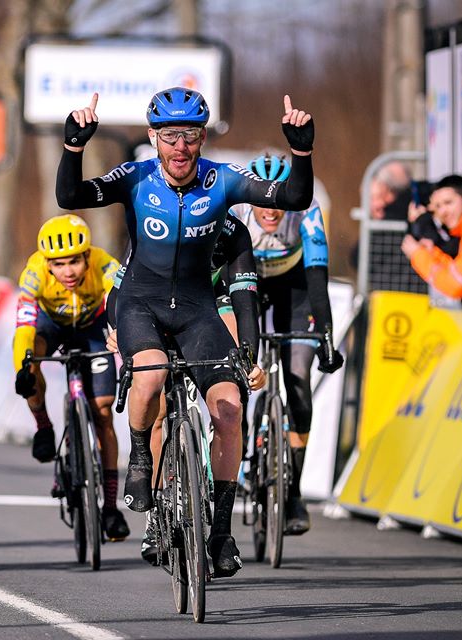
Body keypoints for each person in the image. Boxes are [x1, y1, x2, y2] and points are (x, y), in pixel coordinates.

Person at [56, 88, 316, 577]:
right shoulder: (136, 177)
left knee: (230, 409)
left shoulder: (222, 180)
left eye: (191, 136)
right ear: (153, 137)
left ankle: (220, 531)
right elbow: (70, 197)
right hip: (141, 304)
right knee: (151, 375)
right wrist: (74, 147)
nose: (181, 146)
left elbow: (293, 197)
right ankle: (140, 460)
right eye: (170, 135)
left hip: (198, 312)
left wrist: (301, 152)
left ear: (203, 139)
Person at [106, 210, 267, 564]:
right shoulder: (159, 218)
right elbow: (119, 291)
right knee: (158, 409)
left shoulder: (231, 231)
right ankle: (154, 515)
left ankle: (221, 531)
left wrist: (250, 361)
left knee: (231, 407)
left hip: (206, 308)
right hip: (151, 310)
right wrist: (116, 330)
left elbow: (244, 304)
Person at [228, 152, 345, 535]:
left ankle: (293, 491)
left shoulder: (306, 209)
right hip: (246, 282)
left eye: (278, 200)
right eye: (264, 200)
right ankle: (238, 455)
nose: (271, 210)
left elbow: (317, 279)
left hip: (294, 291)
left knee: (297, 378)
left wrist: (325, 336)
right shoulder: (236, 211)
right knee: (237, 373)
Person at [13, 213, 130, 542]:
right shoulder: (34, 272)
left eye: (75, 262)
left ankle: (110, 508)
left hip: (92, 327)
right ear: (47, 264)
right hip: (51, 326)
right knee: (29, 360)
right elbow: (23, 327)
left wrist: (124, 340)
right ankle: (43, 426)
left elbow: (126, 302)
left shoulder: (104, 264)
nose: (68, 272)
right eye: (59, 264)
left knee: (102, 411)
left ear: (87, 256)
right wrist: (23, 367)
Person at [401, 175, 462, 307]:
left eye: (448, 203)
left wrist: (418, 255)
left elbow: (457, 285)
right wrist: (431, 252)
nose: (443, 212)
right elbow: (458, 270)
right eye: (437, 207)